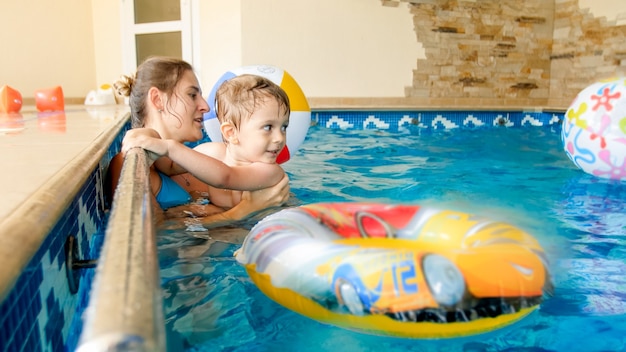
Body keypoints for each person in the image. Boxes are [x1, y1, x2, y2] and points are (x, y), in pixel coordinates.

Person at [109, 56, 290, 224]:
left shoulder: (210, 156)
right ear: (158, 100)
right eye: (192, 95)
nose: (205, 106)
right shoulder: (132, 166)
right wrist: (244, 211)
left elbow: (175, 166)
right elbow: (159, 240)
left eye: (284, 127)